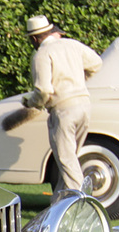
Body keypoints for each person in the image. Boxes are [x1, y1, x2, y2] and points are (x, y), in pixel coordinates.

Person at [23, 14, 103, 193]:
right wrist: (80, 80)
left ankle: (81, 202)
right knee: (69, 160)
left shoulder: (42, 54)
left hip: (63, 110)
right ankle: (59, 202)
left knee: (66, 161)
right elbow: (96, 62)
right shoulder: (72, 44)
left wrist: (32, 103)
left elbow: (43, 90)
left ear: (34, 38)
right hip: (84, 106)